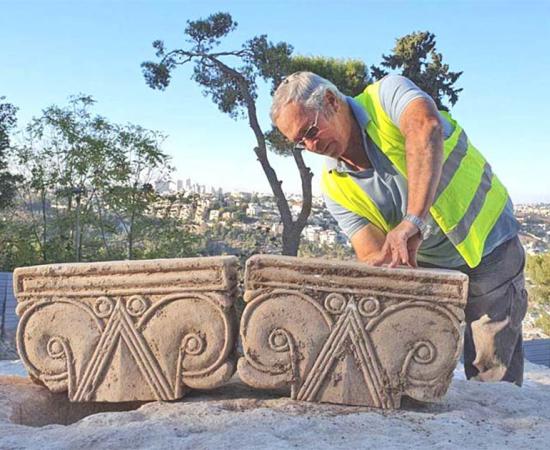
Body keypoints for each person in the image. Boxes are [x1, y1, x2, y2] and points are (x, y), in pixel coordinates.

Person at [271, 71, 527, 385]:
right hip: (433, 267)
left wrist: (413, 221)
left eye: (310, 130)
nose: (311, 145)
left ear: (330, 101)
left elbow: (425, 127)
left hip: (488, 241)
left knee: (493, 369)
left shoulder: (386, 96)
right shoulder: (333, 185)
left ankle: (499, 428)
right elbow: (372, 253)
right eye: (299, 143)